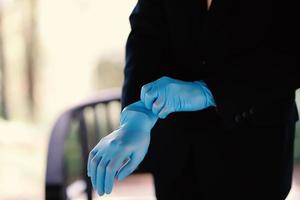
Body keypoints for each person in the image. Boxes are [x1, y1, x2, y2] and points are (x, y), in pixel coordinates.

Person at [87, 0, 300, 199]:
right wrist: (136, 114)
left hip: (256, 151)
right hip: (177, 153)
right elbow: (145, 36)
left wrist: (211, 91)